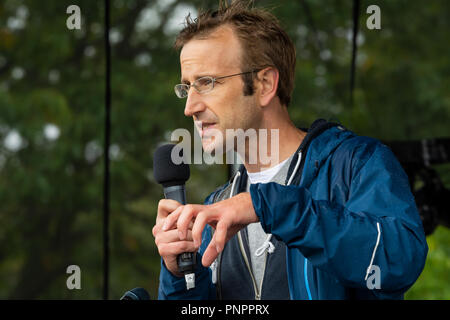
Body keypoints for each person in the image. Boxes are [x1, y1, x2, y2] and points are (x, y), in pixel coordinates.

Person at [152, 0, 428, 300]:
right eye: (186, 88)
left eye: (206, 83)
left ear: (265, 84)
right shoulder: (216, 206)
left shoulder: (356, 164)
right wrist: (180, 274)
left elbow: (401, 259)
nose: (190, 108)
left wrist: (272, 207)